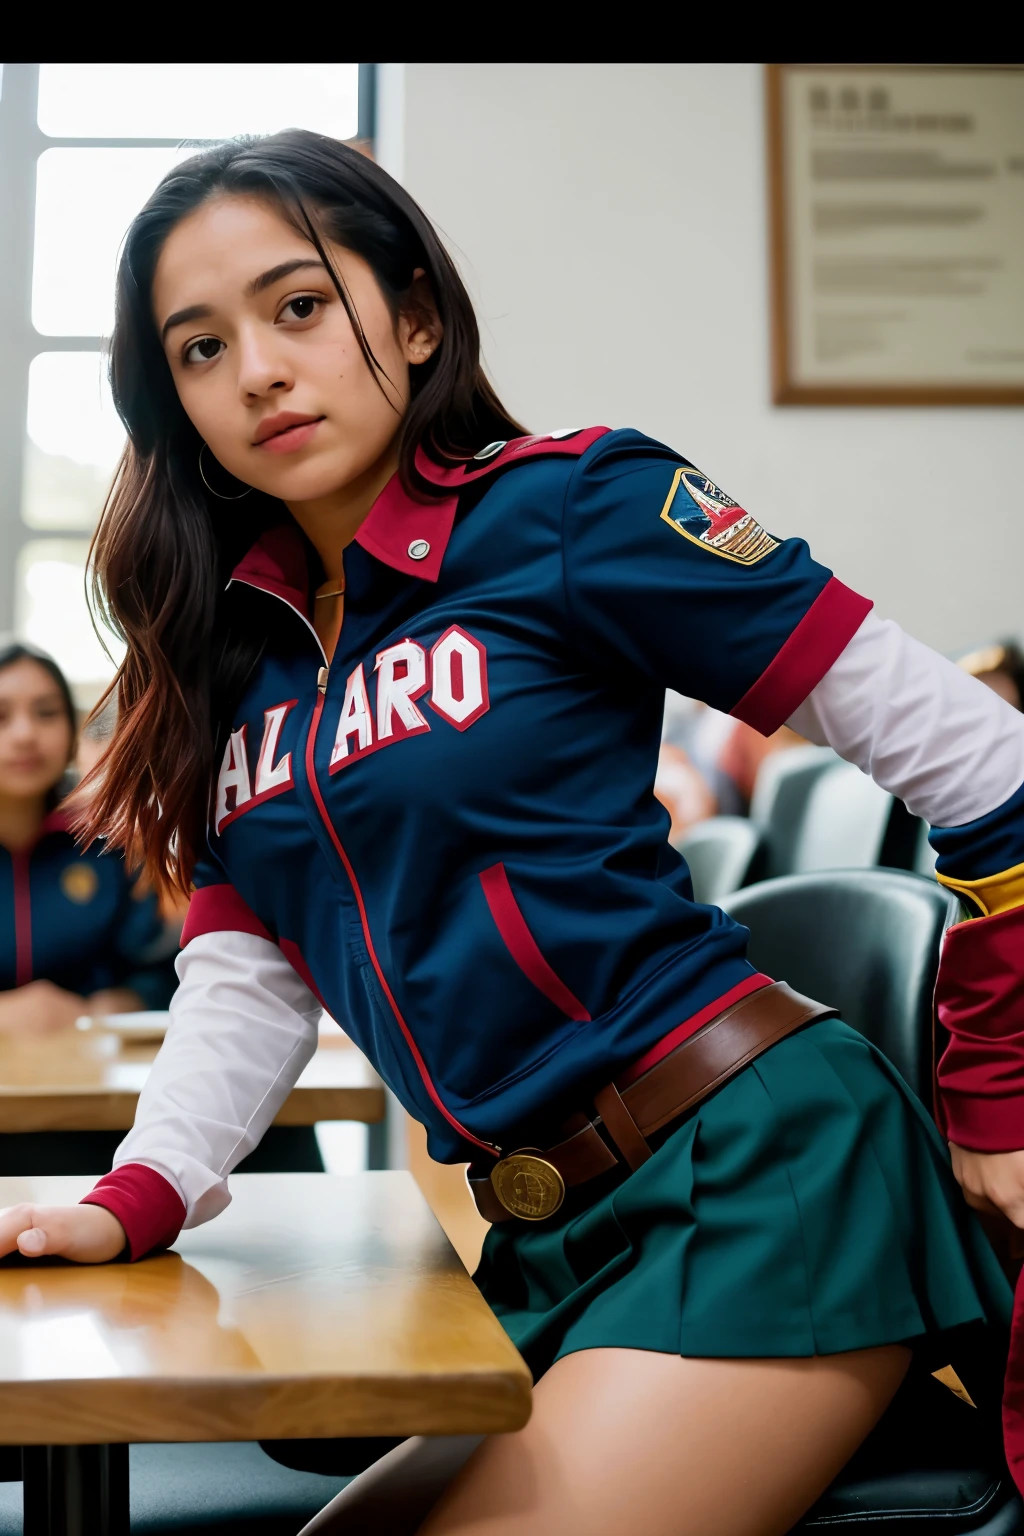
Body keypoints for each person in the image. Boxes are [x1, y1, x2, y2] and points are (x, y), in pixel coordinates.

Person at [1, 132, 1022, 1536]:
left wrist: (1004, 1083)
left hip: (760, 1174)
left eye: (299, 306)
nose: (256, 370)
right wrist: (140, 1196)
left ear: (414, 316)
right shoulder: (237, 662)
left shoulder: (569, 509)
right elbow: (250, 979)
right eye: (197, 347)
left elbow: (983, 758)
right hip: (545, 1233)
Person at [0, 639, 172, 1033]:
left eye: (46, 713)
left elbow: (164, 973)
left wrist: (112, 1006)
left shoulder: (109, 842)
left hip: (89, 1077)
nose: (25, 734)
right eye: (1, 716)